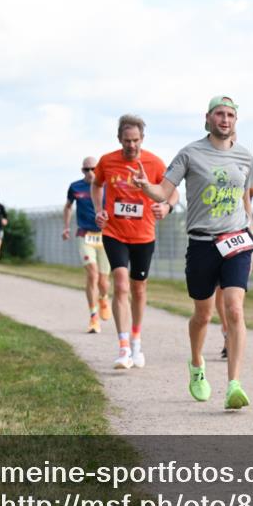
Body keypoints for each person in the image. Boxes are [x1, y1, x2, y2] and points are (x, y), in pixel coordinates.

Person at [134, 96, 253, 409]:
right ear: (208, 118)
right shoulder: (190, 153)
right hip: (202, 243)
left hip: (237, 240)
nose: (225, 120)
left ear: (235, 121)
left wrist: (249, 230)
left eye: (230, 115)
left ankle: (233, 385)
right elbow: (163, 190)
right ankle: (197, 365)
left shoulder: (245, 156)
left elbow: (245, 199)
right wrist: (146, 187)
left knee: (234, 309)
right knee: (203, 314)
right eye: (219, 114)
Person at [91, 114, 177, 369]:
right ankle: (123, 346)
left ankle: (137, 341)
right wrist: (98, 209)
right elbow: (96, 185)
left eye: (136, 140)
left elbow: (172, 190)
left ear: (142, 139)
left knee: (138, 289)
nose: (131, 145)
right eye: (127, 141)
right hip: (114, 232)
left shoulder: (154, 163)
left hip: (143, 235)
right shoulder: (107, 161)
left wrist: (167, 207)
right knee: (120, 284)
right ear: (119, 139)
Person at [216, 158, 253, 360]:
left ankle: (232, 334)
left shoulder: (247, 160)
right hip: (213, 228)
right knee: (219, 290)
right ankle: (227, 330)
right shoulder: (208, 157)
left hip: (239, 230)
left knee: (234, 289)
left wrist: (240, 181)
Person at [64, 156, 112, 333]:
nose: (90, 172)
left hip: (105, 236)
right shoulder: (75, 187)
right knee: (92, 275)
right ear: (82, 170)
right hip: (85, 235)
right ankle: (93, 317)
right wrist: (66, 227)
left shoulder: (107, 184)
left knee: (104, 280)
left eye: (93, 168)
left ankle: (104, 298)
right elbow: (68, 206)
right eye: (87, 169)